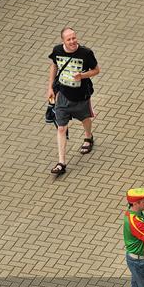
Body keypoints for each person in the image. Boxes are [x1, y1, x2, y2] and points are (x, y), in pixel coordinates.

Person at [47, 27, 100, 176]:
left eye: (74, 38)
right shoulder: (57, 51)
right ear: (63, 41)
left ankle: (88, 137)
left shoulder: (86, 53)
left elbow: (96, 70)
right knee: (61, 128)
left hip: (81, 96)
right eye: (69, 39)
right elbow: (54, 66)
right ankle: (61, 162)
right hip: (62, 96)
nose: (72, 41)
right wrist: (50, 87)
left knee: (85, 119)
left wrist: (82, 76)